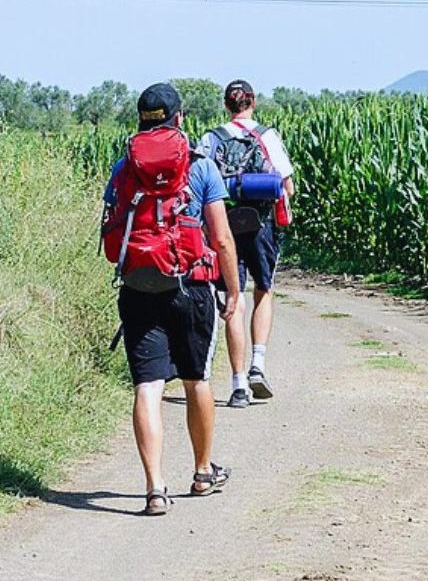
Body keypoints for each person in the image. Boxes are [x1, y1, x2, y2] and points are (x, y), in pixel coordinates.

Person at [103, 82, 241, 516]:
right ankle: (202, 472)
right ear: (180, 117)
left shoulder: (124, 169)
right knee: (196, 378)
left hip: (139, 287)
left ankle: (155, 488)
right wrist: (233, 288)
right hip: (192, 285)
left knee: (148, 386)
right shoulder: (200, 167)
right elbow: (220, 237)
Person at [198, 79, 296, 409]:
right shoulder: (267, 135)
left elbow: (197, 184)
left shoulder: (211, 139)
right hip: (261, 224)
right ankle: (258, 363)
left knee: (232, 298)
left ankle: (238, 385)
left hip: (223, 225)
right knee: (263, 290)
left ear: (226, 105)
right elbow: (288, 187)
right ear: (252, 103)